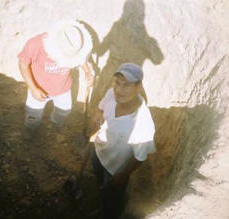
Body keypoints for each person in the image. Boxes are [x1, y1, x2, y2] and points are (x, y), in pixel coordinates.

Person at [88, 63, 156, 219]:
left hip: (115, 169)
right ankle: (101, 191)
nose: (119, 90)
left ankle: (110, 212)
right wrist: (98, 113)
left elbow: (140, 157)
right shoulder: (111, 94)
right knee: (100, 181)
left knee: (112, 198)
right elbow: (101, 108)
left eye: (126, 86)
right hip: (98, 151)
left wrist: (124, 174)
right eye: (117, 83)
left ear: (139, 87)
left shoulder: (142, 122)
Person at [18, 20, 94, 132]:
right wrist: (33, 88)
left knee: (64, 111)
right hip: (38, 89)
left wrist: (88, 72)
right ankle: (31, 129)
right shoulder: (36, 44)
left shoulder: (76, 43)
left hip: (63, 89)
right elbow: (23, 64)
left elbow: (80, 58)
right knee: (33, 114)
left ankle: (55, 127)